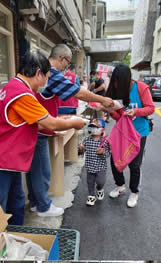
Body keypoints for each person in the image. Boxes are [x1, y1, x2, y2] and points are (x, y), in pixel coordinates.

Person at [0, 51, 87, 225]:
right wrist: (74, 123)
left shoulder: (12, 86)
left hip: (7, 162)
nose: (46, 83)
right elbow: (50, 124)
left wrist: (61, 120)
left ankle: (13, 242)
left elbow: (40, 120)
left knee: (16, 206)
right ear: (38, 73)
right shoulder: (23, 95)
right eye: (47, 77)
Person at [25, 45, 113, 218]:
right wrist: (103, 99)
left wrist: (58, 118)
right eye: (68, 62)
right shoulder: (51, 73)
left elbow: (45, 101)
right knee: (42, 170)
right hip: (38, 129)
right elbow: (78, 93)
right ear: (62, 59)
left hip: (36, 126)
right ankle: (43, 206)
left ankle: (36, 202)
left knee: (35, 169)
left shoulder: (43, 72)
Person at [105, 63, 155, 208]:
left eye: (118, 82)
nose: (116, 85)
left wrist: (136, 112)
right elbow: (119, 117)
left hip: (139, 132)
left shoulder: (140, 88)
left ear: (127, 79)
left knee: (134, 164)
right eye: (115, 81)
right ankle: (120, 186)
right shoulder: (117, 89)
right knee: (115, 159)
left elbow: (151, 108)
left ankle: (134, 192)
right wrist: (110, 111)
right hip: (122, 132)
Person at [79, 118, 111, 206]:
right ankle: (91, 196)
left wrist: (103, 152)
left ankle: (99, 189)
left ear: (102, 130)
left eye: (96, 127)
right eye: (92, 127)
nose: (94, 129)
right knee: (90, 182)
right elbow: (81, 152)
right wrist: (80, 149)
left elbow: (108, 154)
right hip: (89, 166)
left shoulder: (104, 141)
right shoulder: (87, 139)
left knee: (101, 181)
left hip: (100, 167)